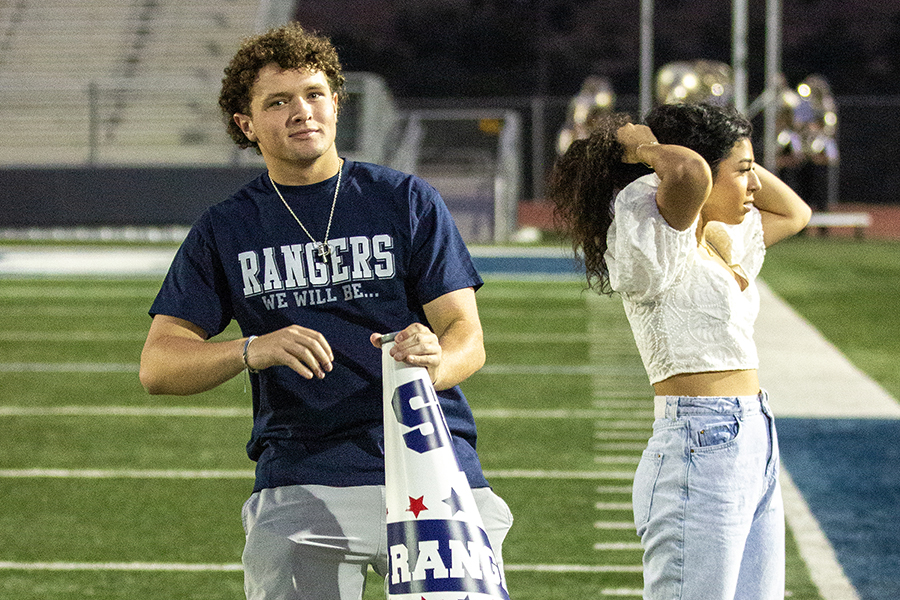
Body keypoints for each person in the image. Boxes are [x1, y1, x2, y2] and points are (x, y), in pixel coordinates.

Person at [139, 22, 512, 600]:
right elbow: (158, 366)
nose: (301, 111)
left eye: (314, 94)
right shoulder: (227, 227)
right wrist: (250, 349)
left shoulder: (404, 200)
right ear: (246, 124)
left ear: (337, 104)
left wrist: (434, 361)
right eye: (278, 101)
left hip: (429, 463)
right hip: (303, 475)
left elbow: (468, 336)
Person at [548, 103, 811, 600]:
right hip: (701, 438)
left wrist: (737, 154)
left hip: (754, 435)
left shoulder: (717, 238)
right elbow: (688, 170)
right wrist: (642, 146)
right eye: (744, 173)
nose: (754, 187)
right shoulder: (649, 222)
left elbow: (795, 213)